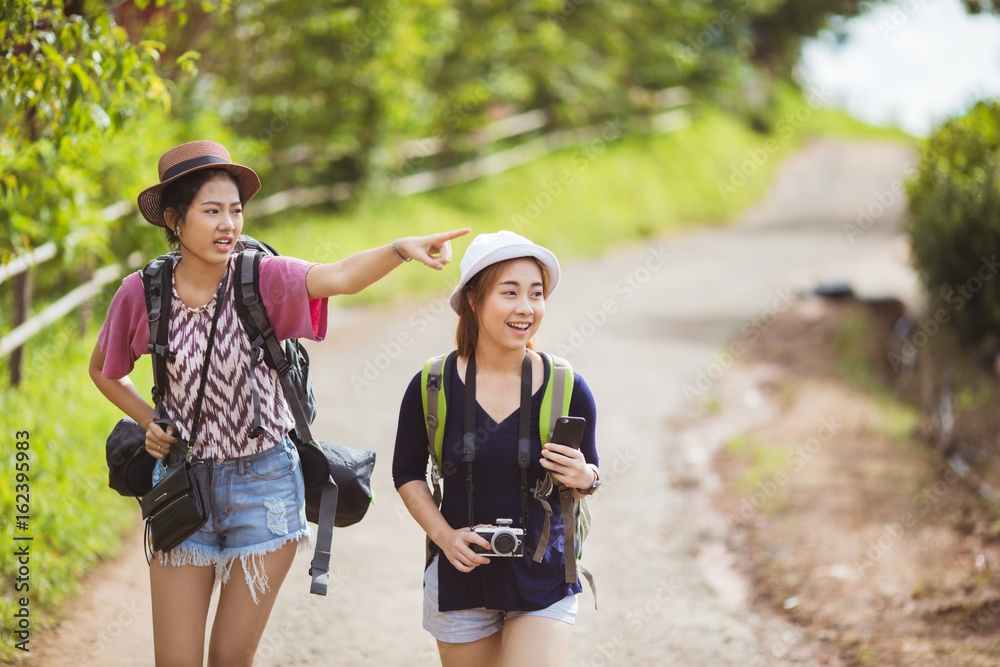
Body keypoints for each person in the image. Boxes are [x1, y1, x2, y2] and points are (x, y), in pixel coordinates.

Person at [88, 139, 468, 666]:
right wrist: (152, 420)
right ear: (174, 220)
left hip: (264, 489)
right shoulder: (144, 291)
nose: (229, 224)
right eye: (212, 211)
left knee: (228, 659)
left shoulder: (262, 278)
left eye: (236, 210)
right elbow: (104, 370)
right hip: (181, 484)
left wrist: (401, 248)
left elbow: (339, 275)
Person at [392, 230, 600, 667]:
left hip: (543, 577)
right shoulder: (432, 384)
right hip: (461, 574)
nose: (526, 307)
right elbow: (407, 472)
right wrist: (444, 537)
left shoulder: (567, 387)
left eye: (536, 294)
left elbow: (588, 475)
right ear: (473, 298)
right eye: (510, 292)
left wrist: (585, 478)